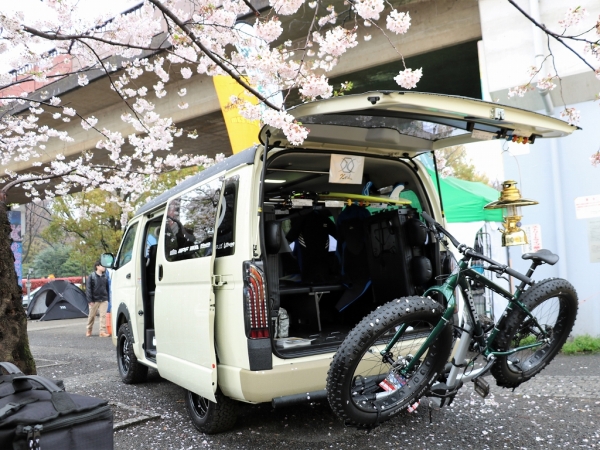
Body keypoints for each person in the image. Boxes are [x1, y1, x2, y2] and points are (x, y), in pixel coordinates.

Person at [86, 261, 111, 337]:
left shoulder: (105, 276)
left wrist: (107, 298)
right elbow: (88, 289)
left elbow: (107, 288)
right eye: (102, 266)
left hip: (104, 298)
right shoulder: (92, 276)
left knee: (103, 316)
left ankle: (102, 331)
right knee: (91, 316)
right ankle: (89, 329)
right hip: (94, 299)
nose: (104, 267)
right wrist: (90, 300)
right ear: (97, 266)